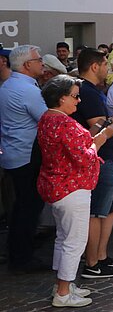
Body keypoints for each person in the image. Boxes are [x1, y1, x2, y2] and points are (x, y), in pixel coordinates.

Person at [38, 74, 113, 307]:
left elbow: (79, 147)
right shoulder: (64, 123)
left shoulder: (48, 118)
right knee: (74, 241)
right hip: (71, 187)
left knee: (63, 238)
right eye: (75, 97)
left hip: (57, 186)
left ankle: (65, 285)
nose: (78, 101)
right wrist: (108, 132)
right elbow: (85, 155)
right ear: (61, 98)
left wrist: (103, 131)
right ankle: (62, 291)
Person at [72, 49, 113, 279]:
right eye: (105, 64)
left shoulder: (93, 91)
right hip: (99, 158)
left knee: (111, 207)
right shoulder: (88, 92)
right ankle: (92, 262)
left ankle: (101, 256)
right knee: (97, 211)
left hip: (105, 157)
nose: (108, 69)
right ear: (94, 66)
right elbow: (97, 128)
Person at [0, 45, 49, 273]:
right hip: (26, 155)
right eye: (39, 60)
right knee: (27, 207)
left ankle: (20, 250)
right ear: (27, 65)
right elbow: (47, 119)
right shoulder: (25, 89)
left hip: (16, 152)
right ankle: (21, 257)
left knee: (22, 207)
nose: (42, 63)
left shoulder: (11, 84)